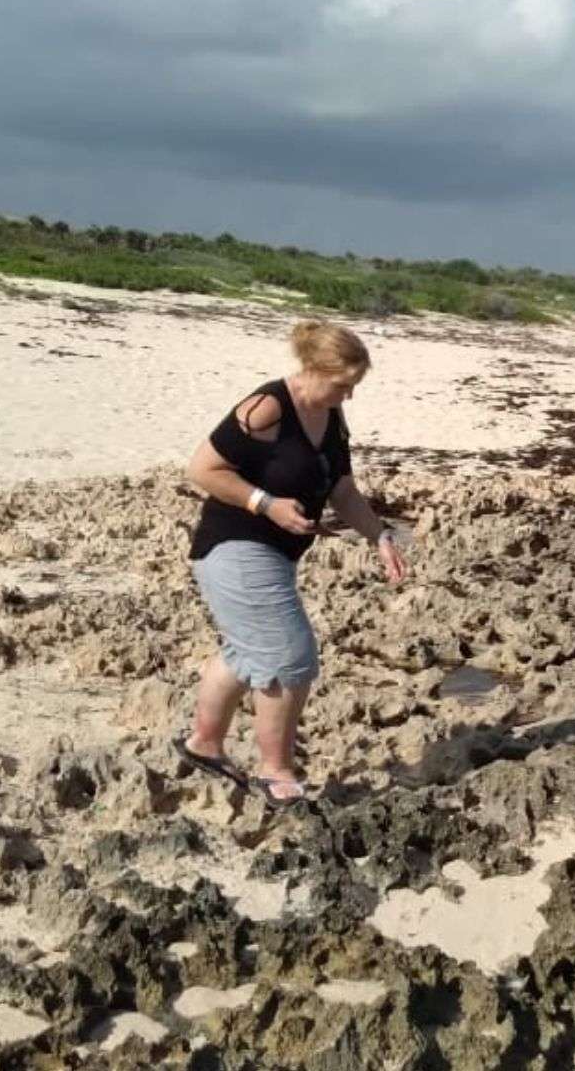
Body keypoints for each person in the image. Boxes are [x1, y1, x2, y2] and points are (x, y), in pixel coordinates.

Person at [175, 320, 409, 809]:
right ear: (314, 368)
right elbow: (201, 469)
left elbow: (342, 490)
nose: (348, 396)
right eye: (343, 384)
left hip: (275, 555)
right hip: (234, 546)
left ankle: (204, 743)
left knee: (246, 652)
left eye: (354, 387)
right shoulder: (266, 409)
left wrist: (379, 536)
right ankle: (275, 771)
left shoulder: (331, 417)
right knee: (290, 656)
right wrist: (266, 503)